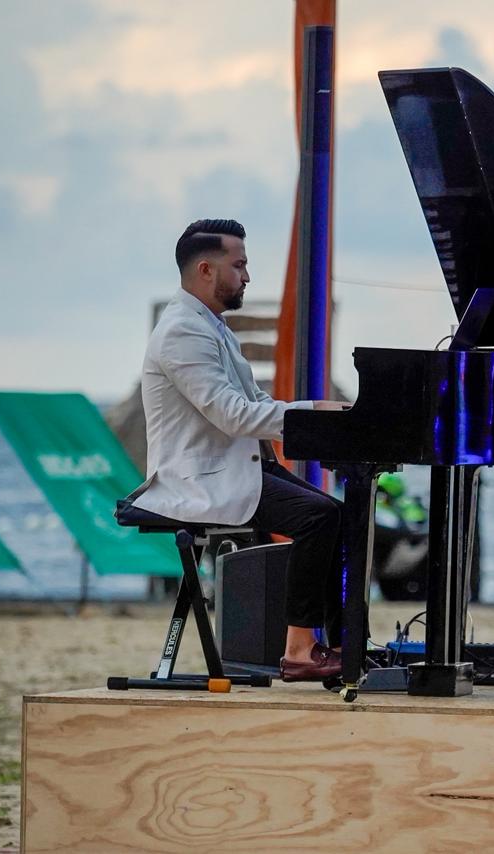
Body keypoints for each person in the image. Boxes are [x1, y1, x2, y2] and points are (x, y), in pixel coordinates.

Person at [129, 218, 350, 682]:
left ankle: (342, 643)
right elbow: (232, 415)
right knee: (319, 518)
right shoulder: (182, 333)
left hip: (239, 465)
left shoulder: (212, 327)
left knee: (337, 515)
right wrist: (310, 416)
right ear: (207, 270)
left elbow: (254, 405)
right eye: (240, 265)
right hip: (198, 479)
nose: (247, 276)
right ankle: (300, 650)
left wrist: (317, 412)